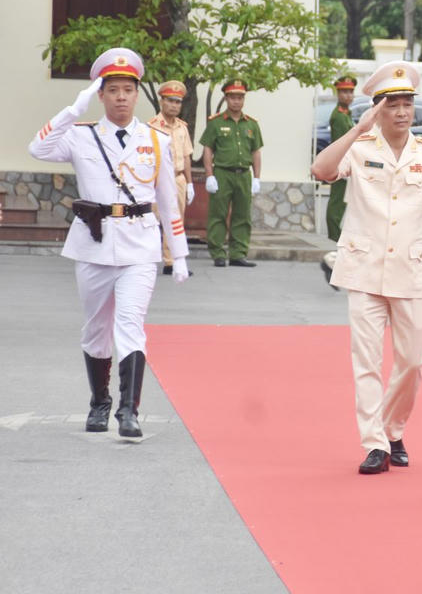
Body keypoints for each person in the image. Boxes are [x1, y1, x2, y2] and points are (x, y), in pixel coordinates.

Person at [28, 48, 189, 438]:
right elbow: (38, 148)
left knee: (130, 324)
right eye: (112, 89)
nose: (120, 97)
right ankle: (99, 402)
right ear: (100, 94)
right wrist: (71, 109)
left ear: (137, 95)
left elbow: (167, 199)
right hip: (94, 244)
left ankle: (128, 411)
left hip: (139, 245)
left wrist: (179, 253)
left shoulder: (157, 139)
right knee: (96, 328)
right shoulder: (81, 136)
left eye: (128, 89)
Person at [311, 61, 422, 475]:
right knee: (367, 361)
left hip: (410, 271)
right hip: (363, 269)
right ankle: (375, 443)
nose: (401, 112)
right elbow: (322, 171)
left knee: (413, 362)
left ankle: (393, 428)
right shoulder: (359, 148)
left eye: (407, 104)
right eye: (391, 104)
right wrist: (358, 130)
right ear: (377, 109)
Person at [201, 79, 262, 267]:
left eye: (240, 97)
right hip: (222, 173)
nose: (237, 101)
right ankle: (218, 253)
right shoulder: (216, 122)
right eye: (233, 97)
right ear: (226, 98)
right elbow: (208, 149)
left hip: (243, 174)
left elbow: (256, 152)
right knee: (218, 214)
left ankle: (238, 254)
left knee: (242, 215)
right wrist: (209, 175)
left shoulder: (251, 124)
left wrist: (257, 178)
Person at [149, 80, 195, 275]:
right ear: (162, 102)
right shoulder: (152, 127)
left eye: (178, 102)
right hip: (157, 179)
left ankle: (171, 261)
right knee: (153, 220)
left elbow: (186, 157)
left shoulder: (182, 127)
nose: (174, 106)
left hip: (178, 179)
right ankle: (147, 259)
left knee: (176, 220)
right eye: (170, 101)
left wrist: (190, 183)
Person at [326, 74, 357, 242]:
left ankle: (336, 233)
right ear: (338, 94)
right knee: (337, 200)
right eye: (344, 92)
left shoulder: (345, 114)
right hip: (339, 162)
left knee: (341, 199)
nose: (348, 95)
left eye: (351, 92)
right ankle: (334, 235)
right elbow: (340, 143)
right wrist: (342, 165)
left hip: (344, 161)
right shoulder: (338, 116)